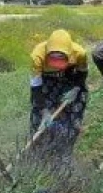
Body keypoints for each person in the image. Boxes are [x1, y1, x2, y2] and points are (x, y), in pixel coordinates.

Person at [28, 29, 89, 162]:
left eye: (61, 60)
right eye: (53, 60)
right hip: (46, 81)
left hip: (70, 79)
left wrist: (76, 89)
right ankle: (38, 154)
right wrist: (44, 111)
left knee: (71, 119)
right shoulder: (37, 56)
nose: (57, 66)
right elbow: (36, 87)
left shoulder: (80, 53)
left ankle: (64, 154)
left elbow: (82, 73)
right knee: (39, 119)